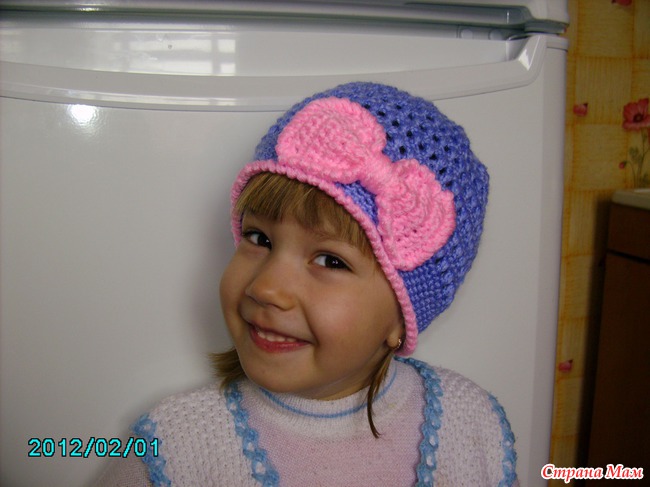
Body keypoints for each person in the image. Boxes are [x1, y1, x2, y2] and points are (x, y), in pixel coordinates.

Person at [95, 82, 517, 486]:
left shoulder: (472, 428)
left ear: (401, 319)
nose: (266, 288)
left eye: (330, 261)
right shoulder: (172, 449)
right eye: (259, 238)